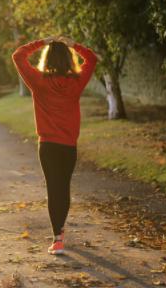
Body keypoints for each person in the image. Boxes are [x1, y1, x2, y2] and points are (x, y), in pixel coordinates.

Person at [12, 36, 98, 255]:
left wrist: (42, 42)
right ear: (69, 59)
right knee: (64, 187)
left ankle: (57, 239)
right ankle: (60, 232)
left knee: (53, 188)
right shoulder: (76, 82)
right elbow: (92, 59)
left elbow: (18, 56)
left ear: (46, 58)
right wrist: (73, 44)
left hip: (48, 146)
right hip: (68, 146)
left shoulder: (38, 81)